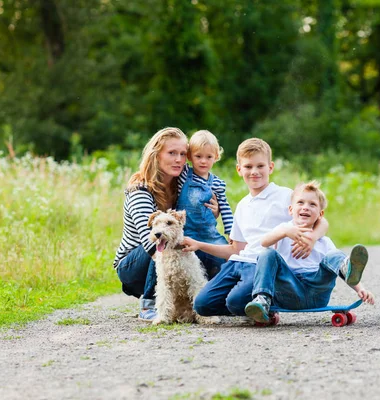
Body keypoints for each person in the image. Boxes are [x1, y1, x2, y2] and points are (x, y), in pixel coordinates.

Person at [183, 138, 329, 317]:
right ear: (239, 169)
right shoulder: (243, 205)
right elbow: (236, 249)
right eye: (248, 167)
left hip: (262, 266)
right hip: (238, 262)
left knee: (235, 302)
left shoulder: (286, 196)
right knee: (202, 305)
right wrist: (199, 244)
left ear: (271, 167)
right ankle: (253, 307)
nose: (254, 172)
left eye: (260, 166)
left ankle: (263, 303)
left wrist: (312, 238)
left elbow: (322, 221)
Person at [244, 180, 375, 324]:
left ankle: (347, 266)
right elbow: (264, 242)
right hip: (289, 291)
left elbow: (336, 267)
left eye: (312, 204)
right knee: (267, 253)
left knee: (334, 255)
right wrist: (284, 231)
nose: (306, 207)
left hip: (318, 292)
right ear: (290, 210)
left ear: (320, 214)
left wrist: (360, 289)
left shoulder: (323, 240)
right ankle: (262, 300)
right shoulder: (284, 231)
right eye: (300, 203)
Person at [113, 127, 189, 321]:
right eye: (172, 153)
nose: (179, 159)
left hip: (167, 255)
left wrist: (212, 211)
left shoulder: (182, 185)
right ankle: (148, 304)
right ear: (156, 156)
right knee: (160, 241)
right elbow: (150, 243)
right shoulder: (140, 190)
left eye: (183, 154)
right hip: (133, 266)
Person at [176, 130, 233, 280]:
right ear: (189, 156)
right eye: (198, 156)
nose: (203, 161)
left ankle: (226, 285)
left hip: (209, 234)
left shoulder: (217, 183)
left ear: (216, 157)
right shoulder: (183, 175)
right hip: (187, 231)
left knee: (229, 255)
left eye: (209, 157)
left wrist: (231, 231)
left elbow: (225, 208)